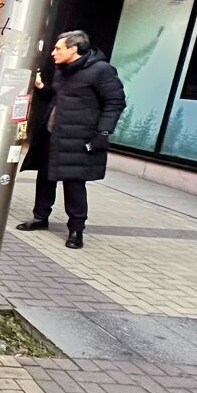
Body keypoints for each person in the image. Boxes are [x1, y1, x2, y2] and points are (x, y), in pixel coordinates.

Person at [16, 30, 126, 249]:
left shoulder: (101, 70)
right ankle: (40, 217)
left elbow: (115, 102)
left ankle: (76, 230)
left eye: (58, 48)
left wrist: (103, 133)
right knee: (45, 177)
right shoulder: (62, 70)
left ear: (73, 49)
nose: (53, 53)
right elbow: (57, 97)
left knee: (74, 183)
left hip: (78, 137)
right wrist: (41, 87)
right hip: (52, 134)